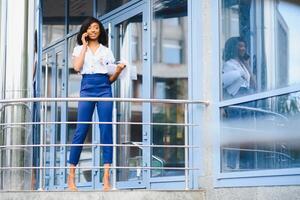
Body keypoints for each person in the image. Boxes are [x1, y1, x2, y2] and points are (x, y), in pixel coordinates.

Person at [67, 16, 126, 191]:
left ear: (100, 32)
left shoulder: (107, 51)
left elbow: (111, 79)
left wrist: (118, 70)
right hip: (87, 88)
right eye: (91, 28)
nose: (94, 30)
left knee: (106, 129)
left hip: (104, 88)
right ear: (85, 30)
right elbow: (77, 68)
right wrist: (84, 46)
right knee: (81, 130)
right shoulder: (78, 49)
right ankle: (71, 176)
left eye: (97, 28)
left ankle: (106, 176)